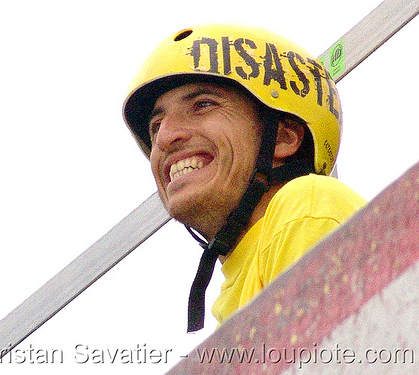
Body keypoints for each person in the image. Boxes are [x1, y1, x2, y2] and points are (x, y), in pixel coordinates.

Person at [122, 24, 366, 332]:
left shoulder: (306, 206)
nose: (165, 138)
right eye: (156, 126)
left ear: (282, 137)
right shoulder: (233, 294)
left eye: (202, 105)